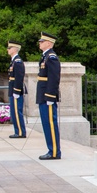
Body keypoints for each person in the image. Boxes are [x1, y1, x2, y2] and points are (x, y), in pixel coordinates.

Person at [36, 32, 61, 160]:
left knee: (50, 123)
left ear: (49, 43)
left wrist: (51, 96)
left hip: (47, 96)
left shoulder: (51, 57)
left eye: (42, 41)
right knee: (46, 123)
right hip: (43, 95)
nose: (40, 43)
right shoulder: (45, 57)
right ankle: (51, 149)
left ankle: (54, 151)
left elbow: (54, 78)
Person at [7, 41, 26, 139]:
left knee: (17, 112)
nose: (8, 50)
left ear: (15, 49)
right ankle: (17, 130)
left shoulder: (17, 61)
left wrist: (16, 91)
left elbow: (19, 78)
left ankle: (20, 132)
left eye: (9, 48)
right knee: (14, 112)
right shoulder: (14, 61)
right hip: (13, 89)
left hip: (16, 90)